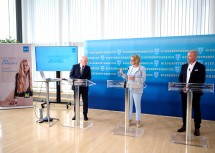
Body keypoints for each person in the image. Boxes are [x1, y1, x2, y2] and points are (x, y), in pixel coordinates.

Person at [177, 50, 206, 136]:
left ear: (195, 57)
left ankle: (197, 128)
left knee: (196, 109)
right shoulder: (184, 66)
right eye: (187, 56)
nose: (187, 57)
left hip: (195, 92)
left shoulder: (201, 67)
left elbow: (201, 80)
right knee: (184, 109)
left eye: (189, 56)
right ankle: (185, 125)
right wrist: (183, 87)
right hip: (184, 92)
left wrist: (190, 87)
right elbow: (180, 78)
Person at [120, 55, 146, 128]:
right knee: (129, 105)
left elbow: (143, 79)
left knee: (137, 106)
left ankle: (138, 121)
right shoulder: (130, 68)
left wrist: (135, 78)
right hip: (129, 88)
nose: (131, 61)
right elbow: (128, 78)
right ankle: (129, 119)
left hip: (137, 89)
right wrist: (122, 74)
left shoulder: (142, 68)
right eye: (131, 60)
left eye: (132, 60)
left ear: (136, 60)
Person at [69, 56, 91, 121]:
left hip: (84, 87)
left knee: (85, 102)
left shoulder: (88, 68)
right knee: (76, 101)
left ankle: (85, 115)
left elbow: (89, 77)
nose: (86, 63)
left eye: (87, 61)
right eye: (85, 61)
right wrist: (77, 80)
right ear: (81, 61)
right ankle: (76, 115)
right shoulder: (74, 66)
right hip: (76, 87)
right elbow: (71, 75)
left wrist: (83, 81)